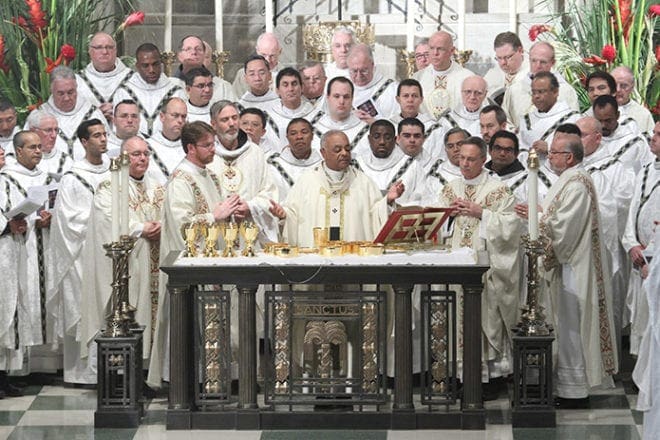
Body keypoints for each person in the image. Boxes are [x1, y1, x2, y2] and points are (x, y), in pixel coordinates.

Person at [148, 121, 242, 388]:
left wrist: (229, 213)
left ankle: (213, 377)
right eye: (207, 145)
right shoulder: (181, 179)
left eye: (213, 144)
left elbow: (218, 213)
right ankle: (191, 380)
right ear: (190, 148)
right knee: (194, 325)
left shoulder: (209, 175)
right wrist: (216, 214)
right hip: (192, 265)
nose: (213, 149)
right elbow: (182, 223)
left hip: (213, 260)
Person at [534, 129, 618, 408]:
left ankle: (574, 391)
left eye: (554, 153)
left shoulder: (578, 184)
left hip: (574, 270)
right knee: (565, 325)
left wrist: (537, 217)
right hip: (568, 266)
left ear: (569, 157)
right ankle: (566, 386)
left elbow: (564, 230)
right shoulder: (569, 180)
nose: (550, 157)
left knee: (572, 326)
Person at [437, 135, 520, 400]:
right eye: (461, 158)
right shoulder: (450, 188)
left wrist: (481, 213)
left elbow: (511, 228)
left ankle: (488, 378)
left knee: (486, 320)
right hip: (454, 269)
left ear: (484, 160)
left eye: (471, 159)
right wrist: (446, 218)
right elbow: (435, 229)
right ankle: (461, 375)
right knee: (456, 320)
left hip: (484, 271)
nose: (464, 163)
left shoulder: (498, 190)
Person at [81, 136, 164, 373]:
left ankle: (146, 371)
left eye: (146, 154)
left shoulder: (156, 185)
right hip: (126, 266)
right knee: (128, 314)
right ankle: (121, 372)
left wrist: (160, 225)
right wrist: (140, 228)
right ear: (123, 157)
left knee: (152, 316)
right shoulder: (110, 185)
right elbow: (107, 219)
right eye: (136, 154)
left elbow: (165, 212)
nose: (142, 158)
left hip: (153, 263)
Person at [46, 118, 109, 386]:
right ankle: (82, 374)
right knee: (85, 310)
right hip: (81, 254)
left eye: (105, 134)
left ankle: (111, 371)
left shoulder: (114, 171)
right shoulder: (73, 177)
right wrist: (103, 219)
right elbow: (66, 219)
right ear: (84, 142)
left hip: (109, 252)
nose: (103, 139)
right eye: (96, 135)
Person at [269, 130, 404, 246]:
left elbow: (375, 216)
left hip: (353, 257)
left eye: (347, 149)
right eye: (337, 150)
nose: (344, 153)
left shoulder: (363, 182)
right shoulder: (307, 181)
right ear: (323, 153)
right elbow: (293, 215)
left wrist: (387, 201)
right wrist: (284, 216)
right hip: (316, 258)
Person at [0, 131, 56, 376]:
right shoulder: (5, 178)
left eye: (39, 147)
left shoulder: (47, 177)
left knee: (18, 308)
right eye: (31, 147)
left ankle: (13, 372)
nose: (37, 151)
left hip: (31, 247)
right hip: (7, 251)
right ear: (18, 151)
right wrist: (7, 225)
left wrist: (47, 218)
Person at [207, 100, 279, 244]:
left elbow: (269, 192)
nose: (232, 123)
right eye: (225, 120)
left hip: (250, 232)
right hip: (217, 235)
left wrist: (250, 207)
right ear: (213, 124)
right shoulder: (208, 154)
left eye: (235, 118)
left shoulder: (255, 153)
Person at [622, 121, 660, 357]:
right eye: (654, 133)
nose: (653, 138)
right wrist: (631, 244)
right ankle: (641, 369)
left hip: (655, 260)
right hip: (640, 258)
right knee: (642, 316)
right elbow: (632, 211)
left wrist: (652, 257)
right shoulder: (646, 170)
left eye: (659, 134)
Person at [503, 41, 579, 128]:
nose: (537, 66)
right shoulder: (514, 90)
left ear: (552, 62)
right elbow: (505, 121)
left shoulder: (566, 91)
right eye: (534, 61)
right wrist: (519, 137)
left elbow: (573, 124)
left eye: (543, 62)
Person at [38, 66, 107, 160]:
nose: (66, 98)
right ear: (51, 90)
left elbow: (107, 147)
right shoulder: (39, 116)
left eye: (70, 92)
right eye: (61, 93)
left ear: (76, 88)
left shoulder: (92, 113)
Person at [114, 43, 181, 137]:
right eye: (145, 66)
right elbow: (118, 128)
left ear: (161, 63)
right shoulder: (124, 92)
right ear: (137, 66)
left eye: (155, 64)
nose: (151, 70)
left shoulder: (175, 91)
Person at [356, 119, 426, 206]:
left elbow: (421, 199)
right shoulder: (356, 166)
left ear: (395, 140)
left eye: (388, 137)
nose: (382, 142)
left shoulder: (412, 166)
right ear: (369, 139)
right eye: (377, 136)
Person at [517, 71, 580, 161]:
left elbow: (580, 150)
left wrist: (550, 148)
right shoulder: (526, 120)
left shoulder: (573, 118)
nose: (536, 96)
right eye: (534, 93)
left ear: (555, 92)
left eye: (541, 92)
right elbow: (519, 148)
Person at [413, 31, 474, 118]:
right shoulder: (417, 78)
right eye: (431, 48)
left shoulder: (468, 78)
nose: (435, 53)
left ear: (452, 51)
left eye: (440, 49)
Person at [76, 32, 133, 123]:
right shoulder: (77, 82)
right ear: (90, 51)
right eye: (99, 47)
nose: (104, 52)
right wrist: (94, 115)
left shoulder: (133, 79)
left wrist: (120, 115)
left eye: (109, 47)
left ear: (115, 51)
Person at [593, 95, 652, 173]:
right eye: (599, 121)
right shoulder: (589, 140)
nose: (603, 125)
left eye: (608, 121)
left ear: (617, 115)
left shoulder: (634, 143)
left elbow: (646, 170)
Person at [390, 79, 447, 159]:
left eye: (414, 96)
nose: (410, 100)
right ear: (398, 99)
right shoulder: (389, 127)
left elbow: (439, 159)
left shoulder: (436, 129)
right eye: (406, 96)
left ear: (421, 99)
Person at [267, 118, 322, 201]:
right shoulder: (274, 167)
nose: (299, 137)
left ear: (312, 135)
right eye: (293, 133)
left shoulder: (324, 165)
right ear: (287, 138)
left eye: (304, 132)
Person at [312, 77, 370, 155]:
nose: (341, 101)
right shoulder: (313, 131)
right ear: (328, 98)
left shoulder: (366, 132)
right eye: (336, 96)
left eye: (346, 97)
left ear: (352, 99)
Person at [173, 35, 236, 103]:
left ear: (204, 55)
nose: (194, 52)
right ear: (179, 55)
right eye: (188, 49)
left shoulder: (223, 87)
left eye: (199, 49)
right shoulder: (169, 85)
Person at [265, 68, 318, 145]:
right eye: (285, 85)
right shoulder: (269, 119)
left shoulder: (316, 116)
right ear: (277, 91)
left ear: (302, 88)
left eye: (294, 84)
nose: (290, 89)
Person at [347, 43, 398, 123]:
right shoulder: (341, 89)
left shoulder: (392, 90)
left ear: (372, 65)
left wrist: (374, 122)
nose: (359, 75)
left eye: (364, 70)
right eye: (354, 71)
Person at [144, 97, 187, 184]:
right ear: (162, 117)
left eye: (183, 117)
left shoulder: (191, 148)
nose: (180, 120)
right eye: (175, 115)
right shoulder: (146, 147)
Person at [25, 110, 73, 179]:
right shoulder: (21, 161)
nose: (54, 135)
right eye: (48, 130)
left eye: (56, 130)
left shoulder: (66, 161)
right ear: (33, 131)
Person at [483, 32, 528, 104]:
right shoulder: (492, 74)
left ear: (520, 50)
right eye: (499, 58)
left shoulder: (534, 72)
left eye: (507, 57)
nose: (503, 63)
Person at [232, 32, 282, 97]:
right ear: (257, 50)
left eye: (272, 56)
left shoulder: (287, 75)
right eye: (264, 54)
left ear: (280, 52)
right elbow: (236, 101)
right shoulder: (242, 75)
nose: (267, 60)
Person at [611, 66, 654, 136]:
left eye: (623, 86)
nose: (618, 89)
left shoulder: (643, 115)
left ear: (632, 87)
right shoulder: (596, 111)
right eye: (614, 85)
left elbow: (651, 144)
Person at [427, 127, 470, 196]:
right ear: (446, 150)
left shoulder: (486, 173)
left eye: (460, 144)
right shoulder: (436, 179)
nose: (455, 149)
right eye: (450, 146)